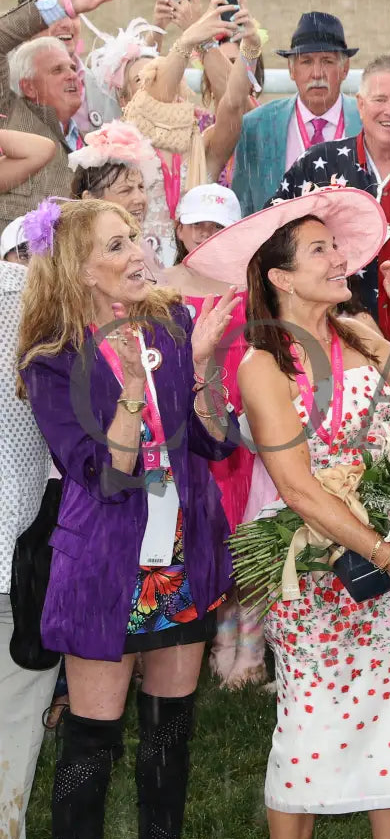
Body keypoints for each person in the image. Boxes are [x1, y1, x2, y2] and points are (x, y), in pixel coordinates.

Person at [184, 186, 390, 839]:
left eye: (335, 246)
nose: (340, 257)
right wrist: (386, 555)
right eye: (320, 250)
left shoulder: (358, 334)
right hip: (316, 582)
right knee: (308, 727)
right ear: (279, 276)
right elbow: (300, 487)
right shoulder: (262, 364)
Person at [17, 197, 239, 839]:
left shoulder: (173, 324)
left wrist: (201, 366)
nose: (140, 254)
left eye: (137, 239)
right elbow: (101, 474)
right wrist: (133, 397)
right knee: (93, 739)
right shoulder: (52, 360)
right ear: (79, 271)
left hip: (182, 554)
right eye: (117, 246)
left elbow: (214, 441)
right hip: (105, 568)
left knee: (169, 732)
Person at [277, 55, 390, 347]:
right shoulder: (317, 164)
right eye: (380, 99)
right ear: (360, 105)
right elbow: (274, 246)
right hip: (341, 355)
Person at [161, 182, 262, 689]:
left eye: (217, 228)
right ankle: (173, 638)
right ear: (178, 229)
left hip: (231, 433)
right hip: (176, 434)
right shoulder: (159, 289)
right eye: (197, 224)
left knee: (237, 536)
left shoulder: (251, 290)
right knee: (180, 536)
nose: (205, 235)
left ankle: (240, 647)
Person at [122, 0, 255, 264]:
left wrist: (250, 50)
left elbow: (232, 105)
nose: (155, 82)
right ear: (124, 101)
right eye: (142, 80)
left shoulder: (203, 146)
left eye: (165, 72)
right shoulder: (117, 151)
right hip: (137, 274)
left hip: (197, 271)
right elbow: (156, 98)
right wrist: (188, 38)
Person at [0, 258, 54, 839]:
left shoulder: (35, 298)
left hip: (22, 567)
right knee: (12, 748)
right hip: (24, 562)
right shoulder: (39, 300)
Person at [0, 0, 131, 223]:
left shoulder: (91, 145)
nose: (72, 75)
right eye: (57, 70)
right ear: (28, 87)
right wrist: (64, 4)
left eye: (72, 68)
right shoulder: (10, 112)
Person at [233, 12, 362, 217]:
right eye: (306, 62)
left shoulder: (368, 121)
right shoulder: (257, 126)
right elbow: (243, 207)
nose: (317, 73)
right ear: (291, 70)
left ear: (345, 69)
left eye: (327, 61)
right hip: (277, 245)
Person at [17, 0, 121, 131]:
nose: (66, 24)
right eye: (53, 15)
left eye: (73, 14)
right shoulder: (7, 87)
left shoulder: (107, 87)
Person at [69, 118, 158, 229]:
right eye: (125, 190)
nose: (139, 199)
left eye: (141, 187)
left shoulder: (140, 245)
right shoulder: (77, 246)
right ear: (90, 200)